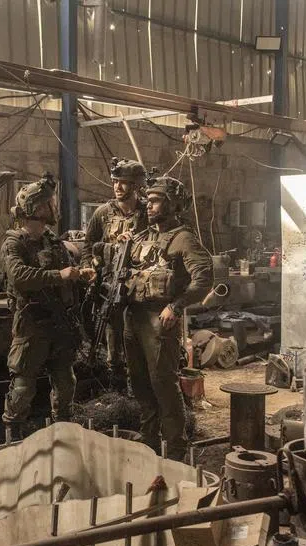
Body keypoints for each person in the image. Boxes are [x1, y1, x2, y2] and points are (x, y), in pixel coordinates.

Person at [123, 175, 212, 460]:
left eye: (155, 200)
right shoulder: (144, 236)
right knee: (140, 382)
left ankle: (175, 447)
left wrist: (176, 306)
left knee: (163, 384)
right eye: (148, 200)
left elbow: (204, 279)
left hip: (159, 321)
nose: (148, 205)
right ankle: (149, 439)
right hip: (134, 317)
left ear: (172, 204)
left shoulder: (184, 238)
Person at [0, 174, 94, 437]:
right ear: (33, 208)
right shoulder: (14, 243)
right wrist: (60, 275)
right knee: (22, 389)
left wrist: (79, 274)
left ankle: (61, 436)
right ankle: (13, 437)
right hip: (32, 326)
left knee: (65, 385)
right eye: (47, 203)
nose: (53, 207)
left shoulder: (52, 241)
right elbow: (19, 277)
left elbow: (67, 272)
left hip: (59, 324)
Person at [83, 158, 148, 383]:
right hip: (110, 286)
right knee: (112, 336)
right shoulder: (102, 213)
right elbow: (88, 244)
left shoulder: (148, 214)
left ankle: (138, 380)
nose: (117, 187)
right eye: (115, 182)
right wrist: (88, 266)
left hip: (140, 288)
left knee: (138, 337)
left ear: (137, 186)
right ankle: (116, 380)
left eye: (124, 183)